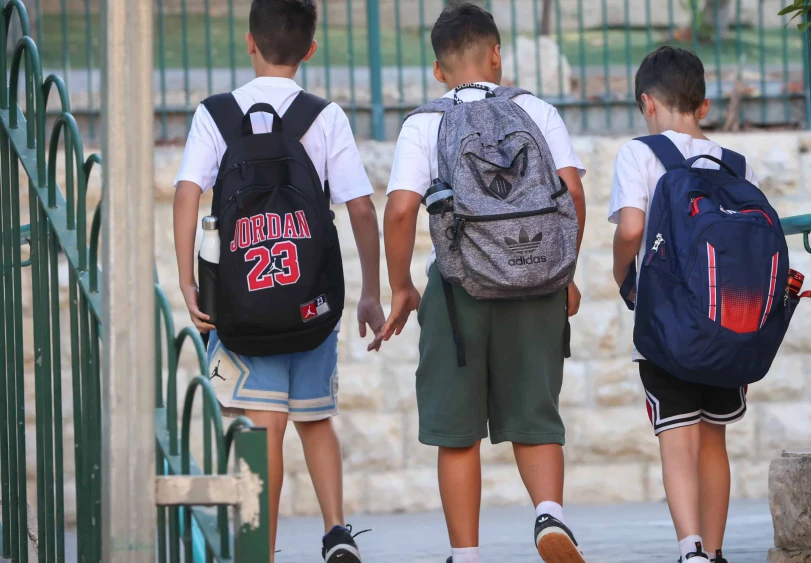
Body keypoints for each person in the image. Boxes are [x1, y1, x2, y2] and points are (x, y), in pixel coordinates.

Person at [172, 1, 384, 561]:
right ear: (310, 50)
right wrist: (370, 291)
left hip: (244, 305)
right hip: (311, 302)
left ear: (249, 42)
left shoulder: (214, 114)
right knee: (315, 419)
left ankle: (259, 550)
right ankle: (336, 530)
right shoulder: (324, 116)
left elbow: (187, 193)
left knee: (264, 426)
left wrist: (189, 281)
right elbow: (362, 209)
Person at [377, 4, 587, 562]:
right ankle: (550, 515)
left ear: (439, 70)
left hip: (457, 287)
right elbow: (572, 192)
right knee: (535, 415)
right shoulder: (536, 110)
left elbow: (399, 212)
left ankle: (466, 554)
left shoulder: (426, 123)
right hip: (538, 283)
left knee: (457, 428)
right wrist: (562, 274)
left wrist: (400, 287)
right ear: (497, 54)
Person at [610, 46, 760, 563]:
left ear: (647, 102)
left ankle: (690, 550)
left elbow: (631, 227)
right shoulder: (735, 163)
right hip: (729, 323)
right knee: (714, 439)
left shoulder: (639, 153)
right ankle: (716, 553)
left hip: (666, 326)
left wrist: (620, 272)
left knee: (678, 438)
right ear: (703, 104)